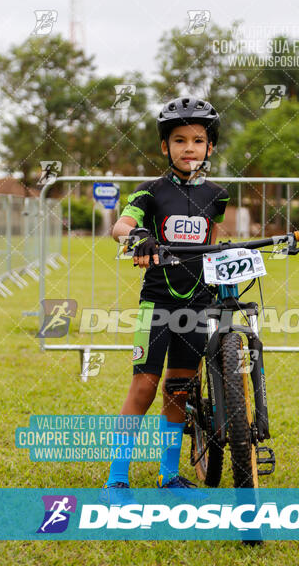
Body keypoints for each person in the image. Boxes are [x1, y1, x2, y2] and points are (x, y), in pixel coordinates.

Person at [100, 96, 229, 500]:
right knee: (144, 385)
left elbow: (214, 237)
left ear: (209, 147)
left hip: (198, 303)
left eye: (197, 140)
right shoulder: (150, 191)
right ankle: (116, 478)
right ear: (164, 147)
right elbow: (121, 225)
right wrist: (137, 236)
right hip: (157, 303)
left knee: (179, 389)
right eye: (179, 140)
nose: (188, 147)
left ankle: (168, 475)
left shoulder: (217, 195)